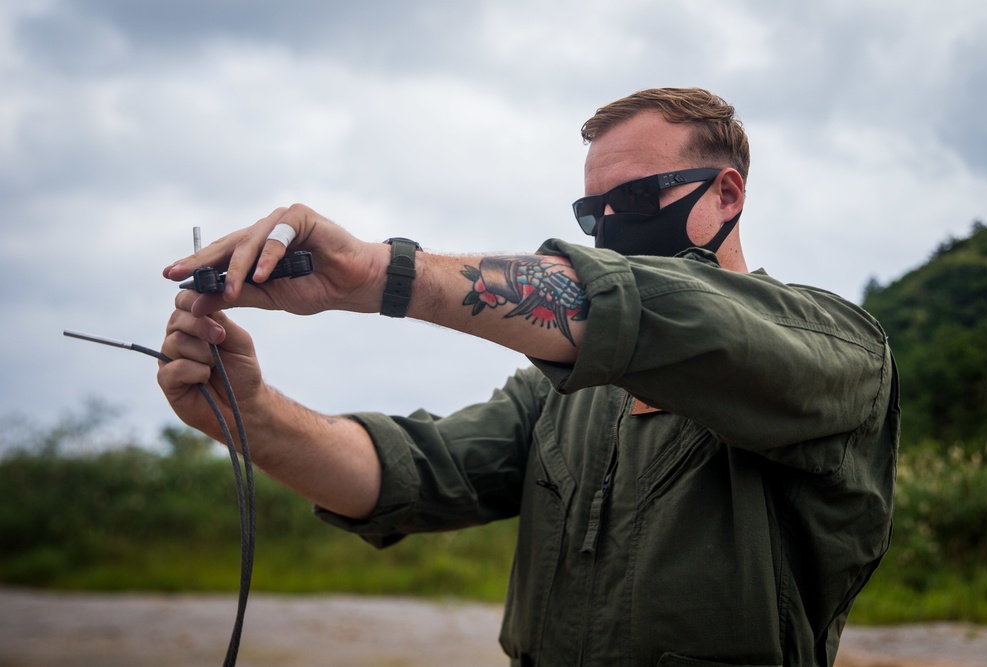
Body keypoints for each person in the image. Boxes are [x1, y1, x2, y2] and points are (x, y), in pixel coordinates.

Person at [158, 88, 900, 666]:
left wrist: (378, 272)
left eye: (638, 199)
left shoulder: (835, 351)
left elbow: (666, 315)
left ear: (727, 195)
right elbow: (412, 471)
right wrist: (248, 411)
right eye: (593, 211)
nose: (612, 225)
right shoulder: (562, 395)